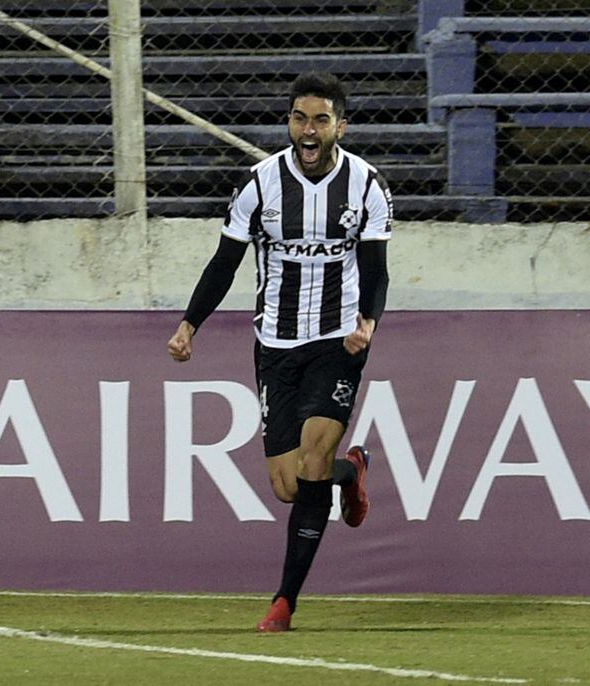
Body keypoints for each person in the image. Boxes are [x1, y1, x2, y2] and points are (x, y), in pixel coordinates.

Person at [167, 72, 392, 631]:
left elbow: (375, 269)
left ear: (340, 125)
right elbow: (226, 261)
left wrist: (367, 322)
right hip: (275, 344)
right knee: (290, 485)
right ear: (289, 122)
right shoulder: (259, 185)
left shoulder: (367, 186)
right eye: (299, 117)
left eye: (320, 119)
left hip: (338, 339)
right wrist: (190, 323)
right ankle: (350, 473)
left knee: (311, 457)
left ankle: (284, 602)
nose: (308, 129)